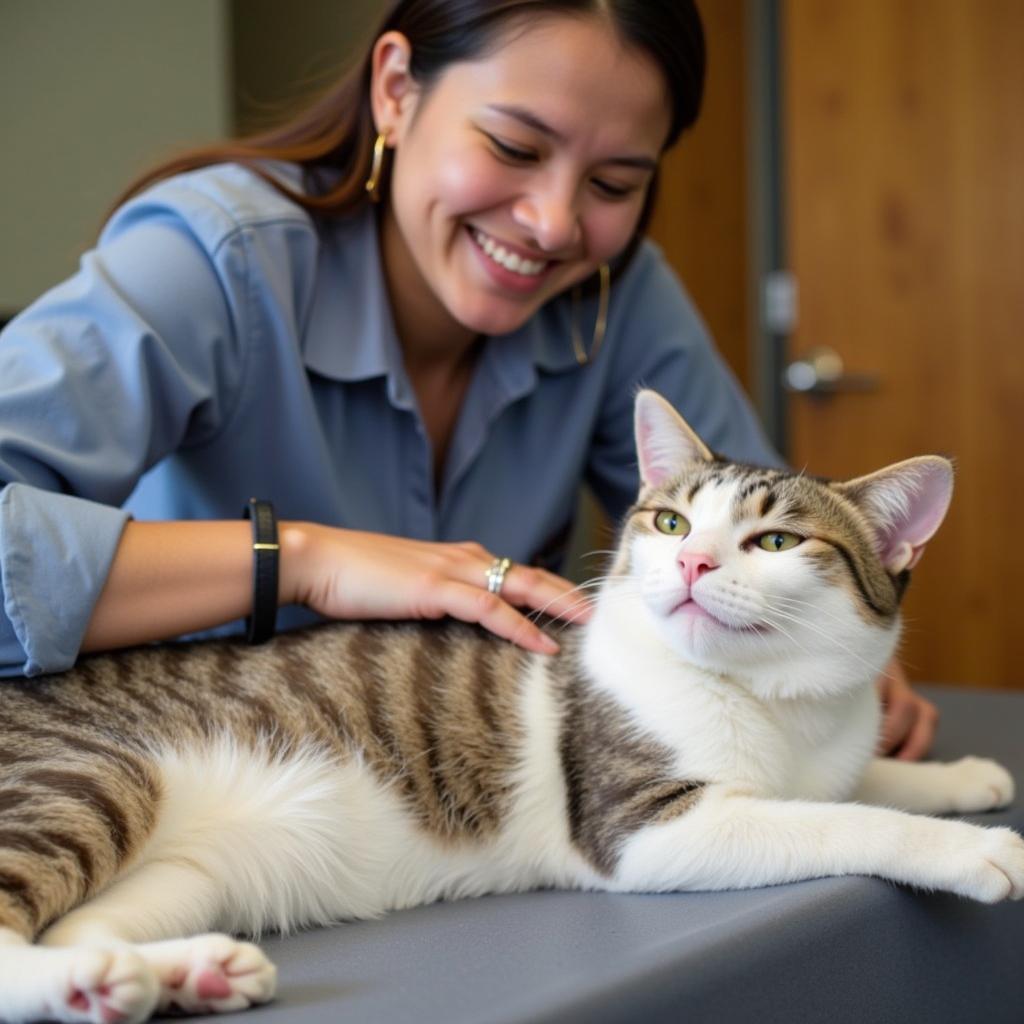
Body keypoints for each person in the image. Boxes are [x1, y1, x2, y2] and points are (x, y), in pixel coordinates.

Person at [0, 0, 936, 756]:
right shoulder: (212, 259)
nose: (553, 223)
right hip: (165, 781)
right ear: (397, 89)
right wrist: (309, 562)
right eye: (515, 148)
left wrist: (837, 662)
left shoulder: (620, 292)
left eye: (613, 185)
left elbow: (784, 541)